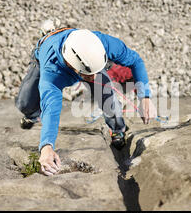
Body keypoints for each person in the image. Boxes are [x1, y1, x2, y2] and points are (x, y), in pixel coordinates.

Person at [16, 23, 156, 176]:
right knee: (25, 103)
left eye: (97, 71)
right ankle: (32, 115)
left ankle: (117, 129)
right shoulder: (52, 73)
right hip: (42, 55)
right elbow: (51, 108)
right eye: (90, 75)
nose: (94, 78)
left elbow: (135, 60)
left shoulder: (104, 43)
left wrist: (145, 97)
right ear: (71, 66)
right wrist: (46, 147)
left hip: (88, 63)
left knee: (108, 98)